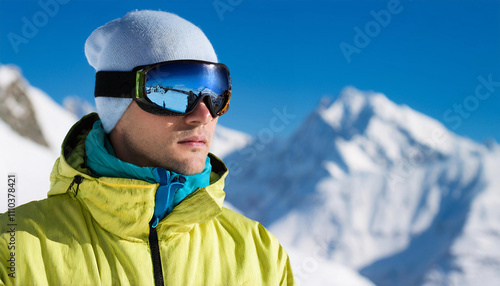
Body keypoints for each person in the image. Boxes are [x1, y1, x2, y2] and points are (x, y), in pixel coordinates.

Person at [0, 10, 294, 285]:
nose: (204, 114)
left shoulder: (261, 255)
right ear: (116, 99)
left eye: (215, 92)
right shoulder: (14, 251)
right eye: (174, 92)